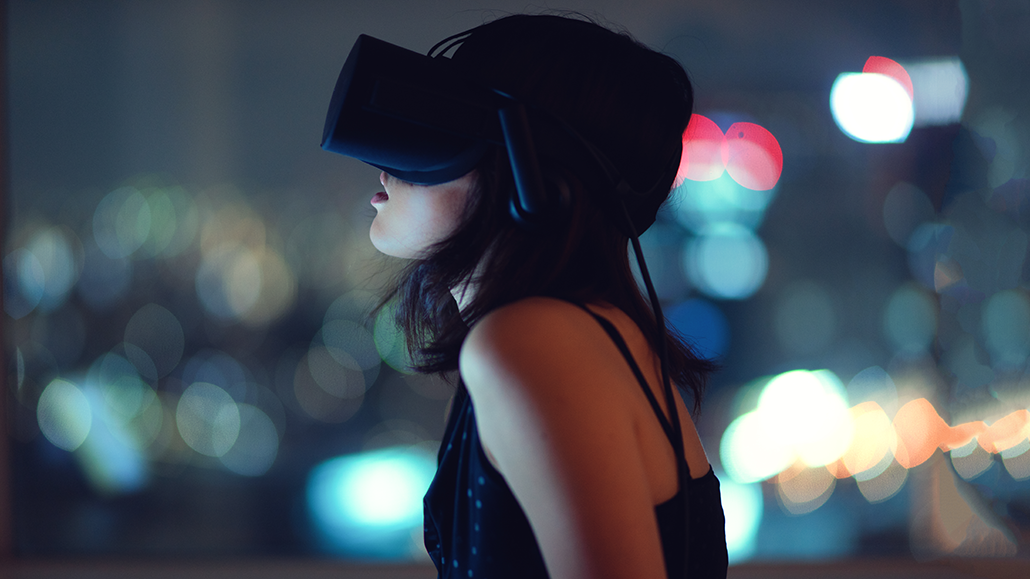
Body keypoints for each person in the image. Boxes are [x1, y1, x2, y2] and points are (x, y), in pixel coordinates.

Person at [324, 13, 728, 579]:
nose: (391, 154)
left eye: (444, 122)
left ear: (525, 163)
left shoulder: (535, 343)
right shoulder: (580, 335)